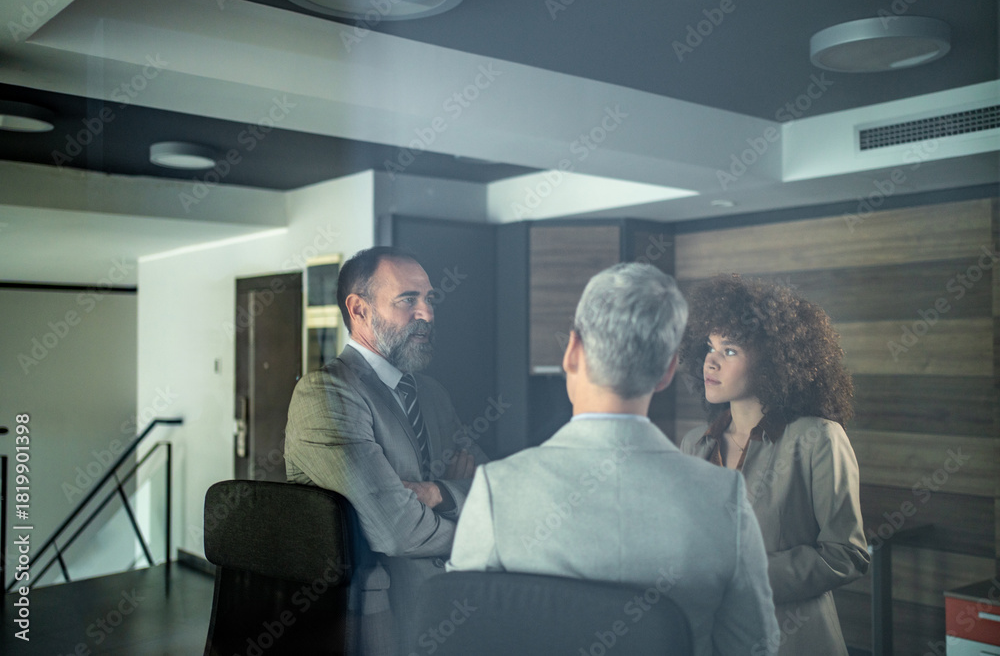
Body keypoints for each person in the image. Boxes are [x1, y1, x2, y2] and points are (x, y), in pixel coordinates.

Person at [448, 263, 779, 656]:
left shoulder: (496, 489)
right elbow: (754, 647)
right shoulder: (723, 497)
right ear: (668, 371)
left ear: (572, 351)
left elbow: (461, 638)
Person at [285, 246, 487, 655]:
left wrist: (438, 492)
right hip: (381, 623)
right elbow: (396, 529)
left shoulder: (432, 393)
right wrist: (483, 532)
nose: (427, 314)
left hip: (456, 606)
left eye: (429, 299)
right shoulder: (326, 393)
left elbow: (485, 480)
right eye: (408, 300)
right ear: (358, 309)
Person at [678, 274, 870, 656]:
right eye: (709, 347)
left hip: (794, 641)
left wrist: (746, 575)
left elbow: (847, 555)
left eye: (729, 350)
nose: (711, 361)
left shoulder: (818, 438)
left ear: (771, 362)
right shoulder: (693, 443)